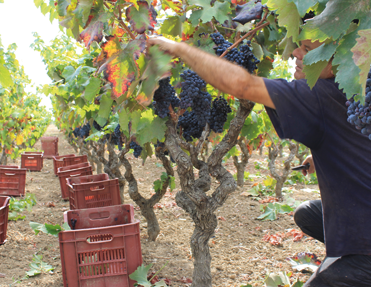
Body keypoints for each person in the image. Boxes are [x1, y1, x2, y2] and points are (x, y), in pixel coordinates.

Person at [148, 35, 371, 286]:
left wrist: (179, 48)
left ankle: (353, 267)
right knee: (307, 214)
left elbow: (243, 86)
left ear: (338, 60)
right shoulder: (359, 94)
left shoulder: (319, 96)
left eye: (308, 49)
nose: (295, 53)